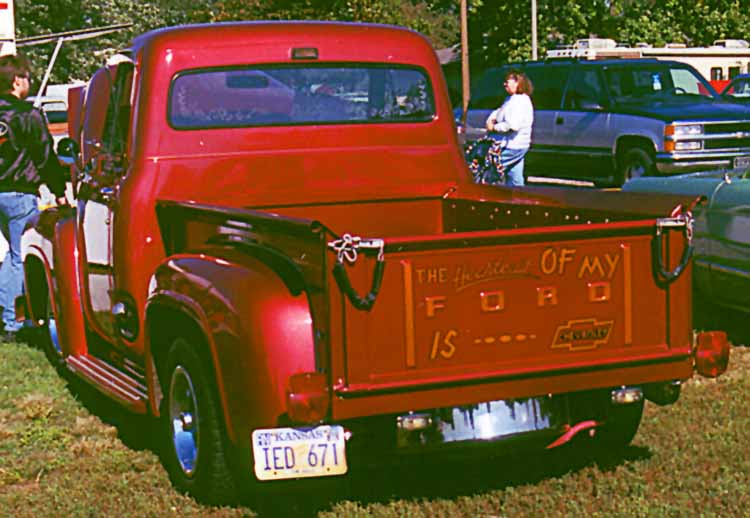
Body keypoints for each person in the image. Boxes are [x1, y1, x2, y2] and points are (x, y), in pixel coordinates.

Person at [0, 53, 67, 341]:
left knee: (10, 256)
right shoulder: (28, 115)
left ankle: (19, 314)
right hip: (19, 194)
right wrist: (60, 191)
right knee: (19, 257)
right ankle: (12, 323)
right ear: (17, 81)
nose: (29, 82)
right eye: (27, 77)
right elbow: (44, 158)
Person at [484, 69, 534, 186]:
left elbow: (513, 125)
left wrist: (494, 128)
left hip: (512, 145)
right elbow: (498, 112)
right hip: (517, 146)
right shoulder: (511, 100)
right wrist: (491, 120)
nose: (504, 84)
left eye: (507, 81)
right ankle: (519, 199)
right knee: (515, 177)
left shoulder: (520, 101)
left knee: (491, 172)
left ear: (517, 83)